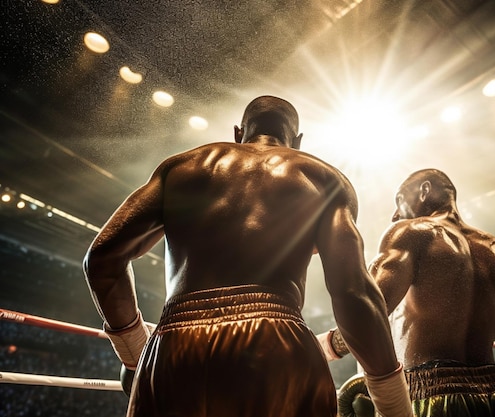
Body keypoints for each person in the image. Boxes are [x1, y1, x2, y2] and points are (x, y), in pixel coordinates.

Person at [82, 95, 412, 417]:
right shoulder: (321, 179)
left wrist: (134, 352)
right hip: (274, 342)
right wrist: (394, 403)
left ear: (238, 133)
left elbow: (102, 260)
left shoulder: (180, 169)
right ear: (296, 141)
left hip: (176, 346)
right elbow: (353, 292)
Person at [322, 168, 495, 417]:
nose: (394, 215)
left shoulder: (410, 234)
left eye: (399, 200)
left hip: (428, 398)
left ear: (424, 191)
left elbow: (369, 311)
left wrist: (323, 348)